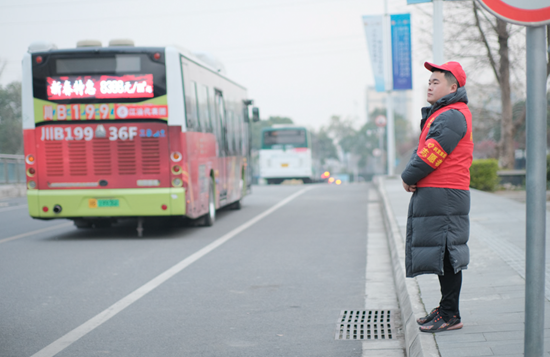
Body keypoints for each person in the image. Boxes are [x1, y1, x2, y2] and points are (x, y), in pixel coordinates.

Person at [401, 61, 473, 333]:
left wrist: (408, 176)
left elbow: (432, 153)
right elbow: (424, 148)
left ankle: (451, 314)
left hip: (446, 192)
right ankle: (445, 308)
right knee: (443, 252)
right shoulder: (443, 113)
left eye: (436, 81)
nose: (430, 85)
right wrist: (413, 176)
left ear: (453, 87)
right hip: (439, 191)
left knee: (448, 252)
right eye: (429, 81)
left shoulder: (452, 115)